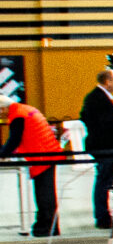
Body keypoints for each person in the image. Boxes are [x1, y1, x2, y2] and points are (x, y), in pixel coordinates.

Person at [0, 98, 64, 236]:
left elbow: (14, 139)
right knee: (46, 193)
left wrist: (3, 154)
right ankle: (49, 226)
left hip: (42, 156)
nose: (1, 115)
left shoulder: (17, 115)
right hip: (48, 152)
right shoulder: (25, 109)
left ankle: (46, 227)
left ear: (3, 108)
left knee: (44, 194)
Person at [78, 69, 113, 228]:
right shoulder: (98, 98)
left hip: (101, 145)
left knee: (104, 181)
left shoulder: (94, 97)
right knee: (103, 182)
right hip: (105, 146)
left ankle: (103, 215)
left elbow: (86, 117)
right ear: (107, 81)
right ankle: (102, 217)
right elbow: (106, 122)